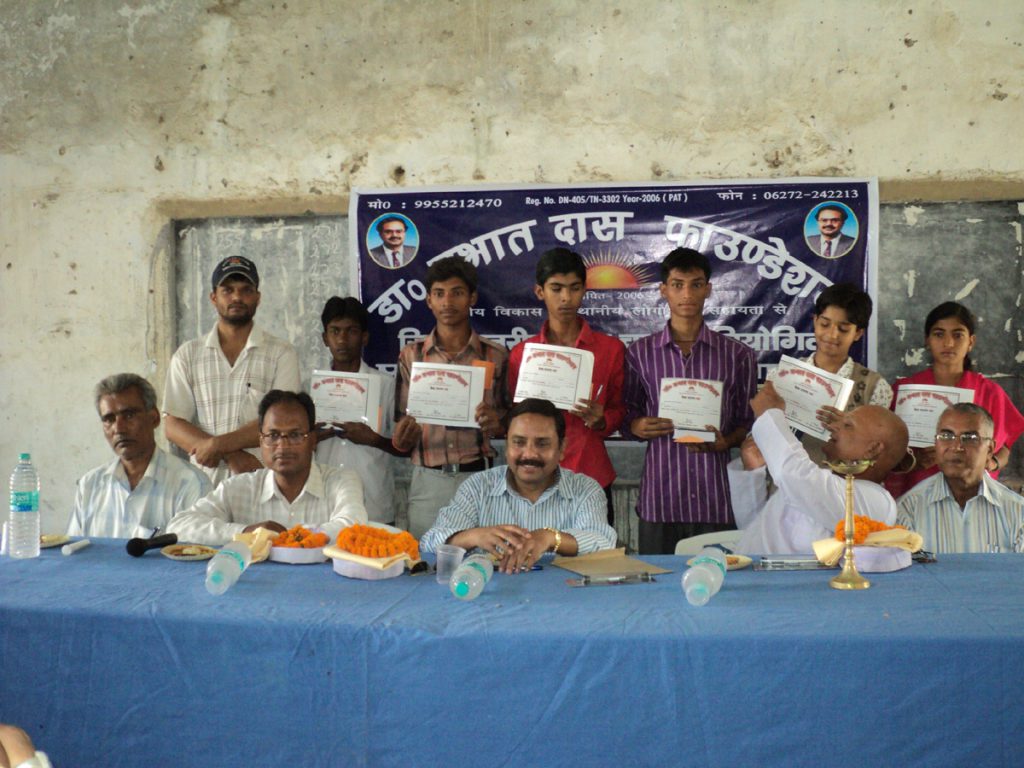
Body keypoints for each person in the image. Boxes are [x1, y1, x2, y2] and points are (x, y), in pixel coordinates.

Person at [622, 247, 757, 554]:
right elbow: (626, 413)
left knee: (719, 580)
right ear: (663, 290)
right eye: (677, 285)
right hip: (661, 499)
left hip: (716, 499)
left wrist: (726, 441)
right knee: (659, 580)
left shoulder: (737, 356)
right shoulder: (639, 353)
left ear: (708, 289)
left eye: (696, 284)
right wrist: (637, 425)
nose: (687, 294)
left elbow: (746, 423)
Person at [420, 398, 616, 572]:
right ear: (507, 446)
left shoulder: (585, 489)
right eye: (519, 442)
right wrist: (472, 537)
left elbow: (604, 543)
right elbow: (429, 541)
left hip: (562, 594)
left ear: (562, 448)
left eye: (542, 444)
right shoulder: (478, 487)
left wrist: (551, 538)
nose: (529, 454)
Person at [392, 255, 510, 540]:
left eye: (457, 293)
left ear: (472, 298)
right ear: (429, 300)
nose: (447, 302)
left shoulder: (495, 355)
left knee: (484, 557)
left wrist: (498, 424)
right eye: (439, 293)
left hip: (480, 478)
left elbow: (510, 420)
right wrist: (403, 438)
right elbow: (401, 427)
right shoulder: (411, 356)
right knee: (426, 556)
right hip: (428, 481)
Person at [507, 247, 625, 525]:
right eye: (556, 288)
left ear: (584, 290)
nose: (566, 298)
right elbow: (513, 418)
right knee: (533, 551)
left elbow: (621, 410)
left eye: (574, 288)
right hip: (534, 478)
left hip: (590, 475)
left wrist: (602, 420)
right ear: (540, 291)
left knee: (596, 551)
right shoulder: (522, 354)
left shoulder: (610, 350)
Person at [163, 256, 301, 487]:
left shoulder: (281, 354)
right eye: (228, 290)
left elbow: (283, 422)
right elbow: (173, 424)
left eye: (246, 290)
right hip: (204, 486)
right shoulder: (188, 355)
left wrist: (218, 446)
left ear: (258, 297)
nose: (237, 297)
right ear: (213, 297)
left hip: (263, 482)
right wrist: (230, 454)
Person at [166, 391, 366, 546]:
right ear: (261, 441)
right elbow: (179, 526)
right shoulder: (238, 488)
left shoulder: (341, 481)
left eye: (295, 435)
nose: (283, 445)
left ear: (313, 440)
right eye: (273, 436)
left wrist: (288, 538)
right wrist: (247, 532)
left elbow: (353, 527)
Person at [735, 382, 909, 555]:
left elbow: (794, 474)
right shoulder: (820, 483)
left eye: (848, 425)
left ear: (872, 449)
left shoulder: (876, 501)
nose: (833, 426)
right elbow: (752, 529)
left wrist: (770, 415)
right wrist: (753, 473)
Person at [888, 301, 1024, 496]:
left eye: (958, 335)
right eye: (939, 334)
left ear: (971, 342)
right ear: (927, 340)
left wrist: (992, 462)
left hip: (973, 495)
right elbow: (887, 451)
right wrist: (913, 461)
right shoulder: (905, 390)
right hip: (917, 495)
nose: (949, 343)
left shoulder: (989, 392)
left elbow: (1005, 448)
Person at [67, 373, 210, 538]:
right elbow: (73, 549)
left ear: (154, 418)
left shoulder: (190, 484)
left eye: (129, 416)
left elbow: (197, 551)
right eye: (109, 419)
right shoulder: (90, 486)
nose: (119, 429)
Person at [766, 282, 892, 465]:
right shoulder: (780, 376)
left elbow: (877, 454)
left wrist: (849, 429)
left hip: (844, 481)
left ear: (858, 333)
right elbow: (763, 435)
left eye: (843, 329)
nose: (832, 335)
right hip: (785, 478)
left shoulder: (875, 388)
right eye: (825, 324)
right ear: (815, 321)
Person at [314, 296, 403, 525]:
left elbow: (405, 448)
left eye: (351, 331)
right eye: (335, 331)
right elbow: (294, 445)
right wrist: (312, 437)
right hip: (324, 507)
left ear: (365, 337)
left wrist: (374, 440)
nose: (342, 339)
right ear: (325, 338)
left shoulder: (386, 385)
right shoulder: (309, 387)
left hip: (374, 505)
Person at [897, 403, 1024, 553]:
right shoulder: (908, 509)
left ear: (990, 449)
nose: (956, 447)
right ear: (936, 444)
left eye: (970, 438)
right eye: (946, 436)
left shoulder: (1018, 513)